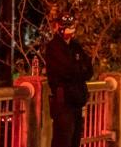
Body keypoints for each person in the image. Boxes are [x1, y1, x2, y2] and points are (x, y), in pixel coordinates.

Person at [43, 12, 94, 147]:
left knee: (75, 139)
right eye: (65, 25)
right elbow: (65, 71)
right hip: (63, 101)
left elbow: (88, 70)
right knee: (63, 139)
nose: (68, 29)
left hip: (77, 100)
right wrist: (78, 68)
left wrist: (77, 69)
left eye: (70, 26)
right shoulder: (54, 47)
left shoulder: (76, 46)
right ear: (58, 26)